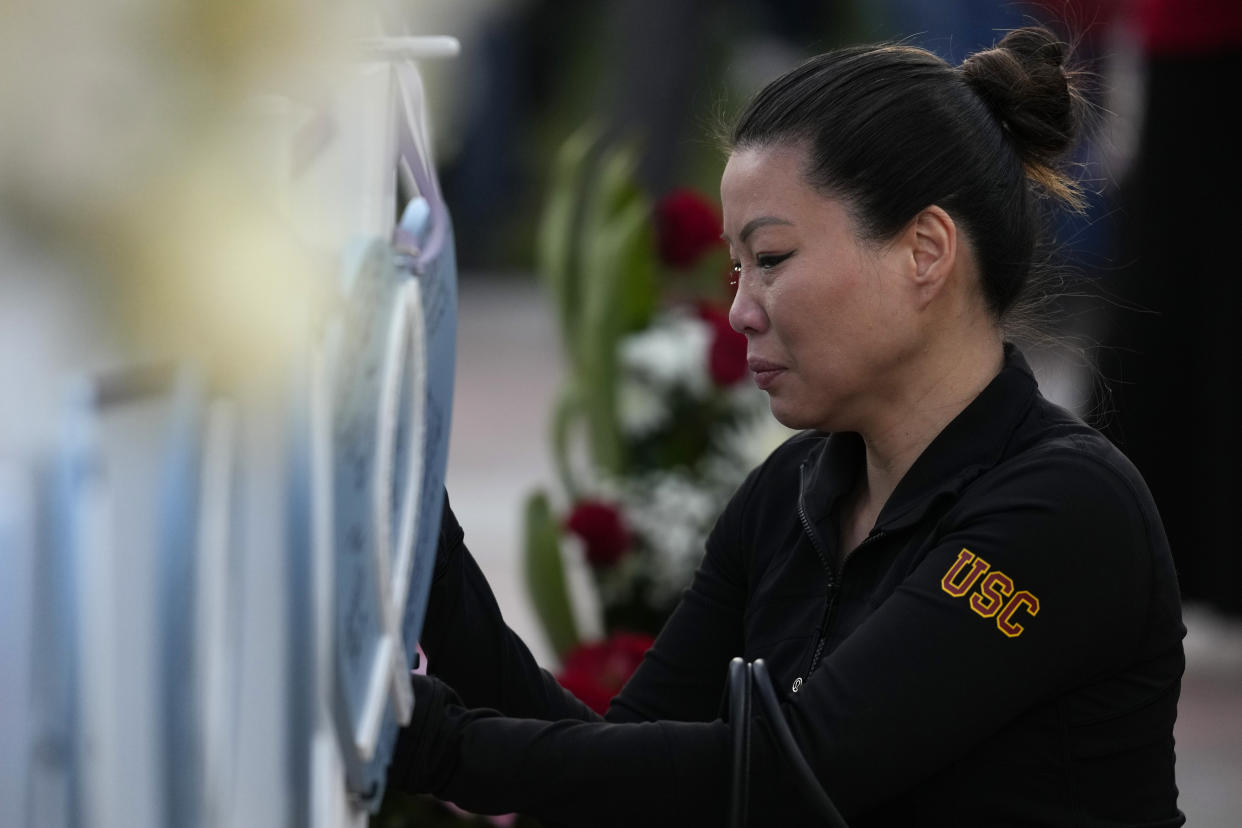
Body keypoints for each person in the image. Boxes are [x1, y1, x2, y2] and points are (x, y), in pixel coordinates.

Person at [388, 27, 1185, 827]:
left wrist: (438, 745)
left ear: (925, 251)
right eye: (736, 269)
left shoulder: (1065, 508)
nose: (739, 309)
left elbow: (795, 772)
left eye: (770, 258)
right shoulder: (794, 491)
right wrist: (420, 527)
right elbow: (620, 766)